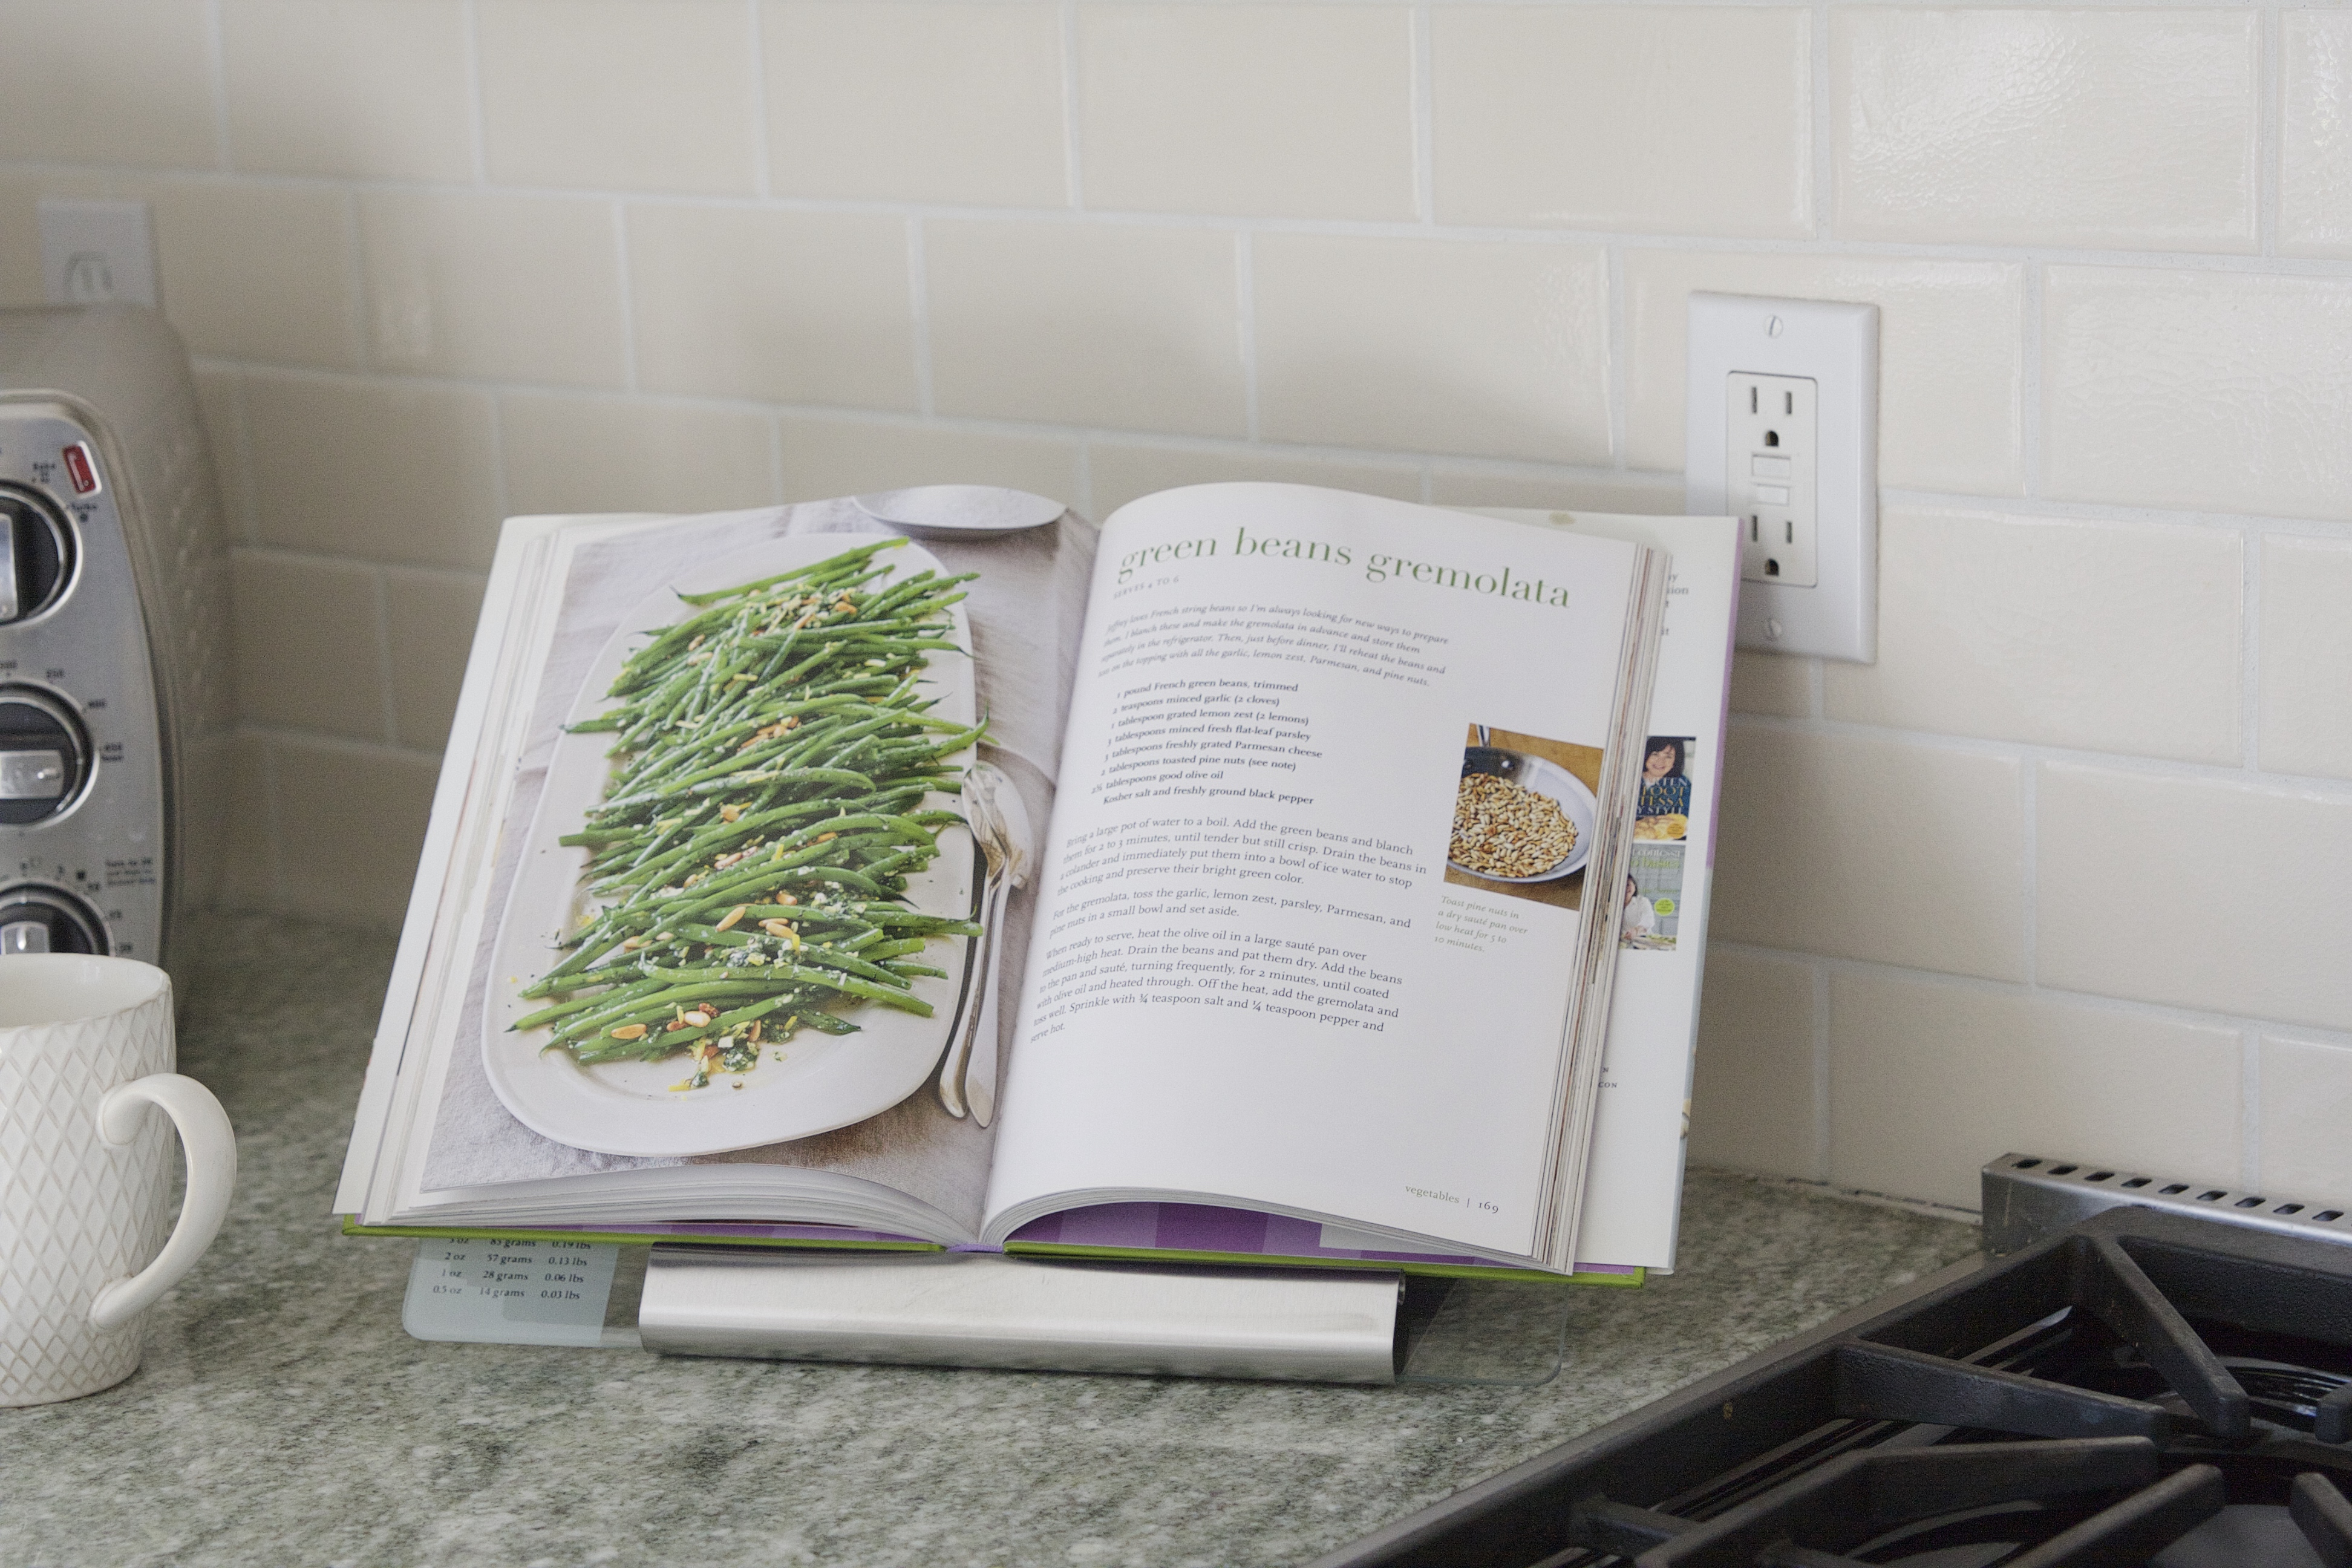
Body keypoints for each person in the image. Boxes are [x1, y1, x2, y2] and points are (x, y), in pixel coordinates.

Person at [1636, 737, 1690, 829]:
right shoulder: (1630, 778)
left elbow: (1685, 819)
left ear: (1675, 761)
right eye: (1655, 754)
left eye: (1668, 756)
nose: (1660, 761)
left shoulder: (1683, 785)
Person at [1621, 874, 1656, 939]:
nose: (1625, 888)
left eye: (1628, 884)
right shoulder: (1610, 904)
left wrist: (1636, 930)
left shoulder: (1642, 901)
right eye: (1621, 885)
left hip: (1643, 941)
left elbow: (1649, 920)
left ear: (1635, 886)